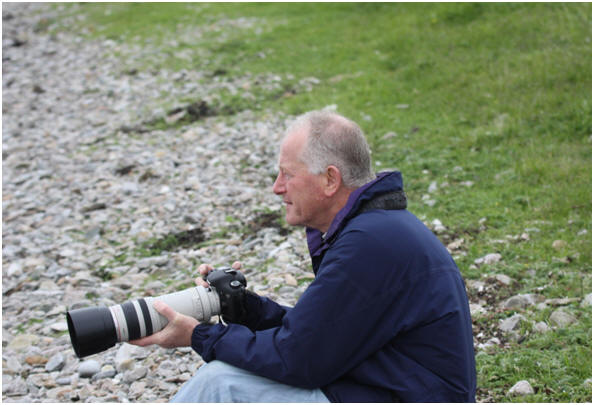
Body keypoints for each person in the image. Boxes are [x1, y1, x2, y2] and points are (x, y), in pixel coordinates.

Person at [131, 110, 477, 402]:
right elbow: (322, 336)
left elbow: (298, 359)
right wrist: (246, 309)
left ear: (330, 180)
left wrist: (198, 335)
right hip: (390, 389)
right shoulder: (379, 231)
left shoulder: (370, 244)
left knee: (221, 384)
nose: (277, 187)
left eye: (287, 174)